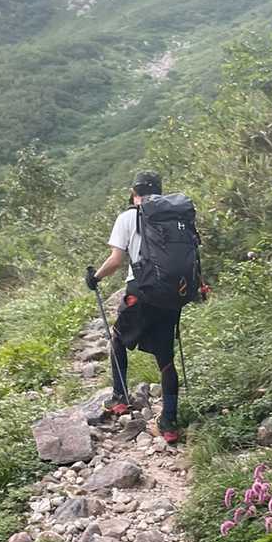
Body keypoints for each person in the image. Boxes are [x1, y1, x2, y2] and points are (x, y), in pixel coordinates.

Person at [85, 169, 182, 444]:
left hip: (139, 291)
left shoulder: (128, 217)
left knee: (117, 338)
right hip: (171, 293)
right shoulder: (174, 218)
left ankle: (119, 398)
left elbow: (116, 260)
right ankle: (169, 423)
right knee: (166, 359)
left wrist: (95, 277)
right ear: (159, 192)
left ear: (133, 193)